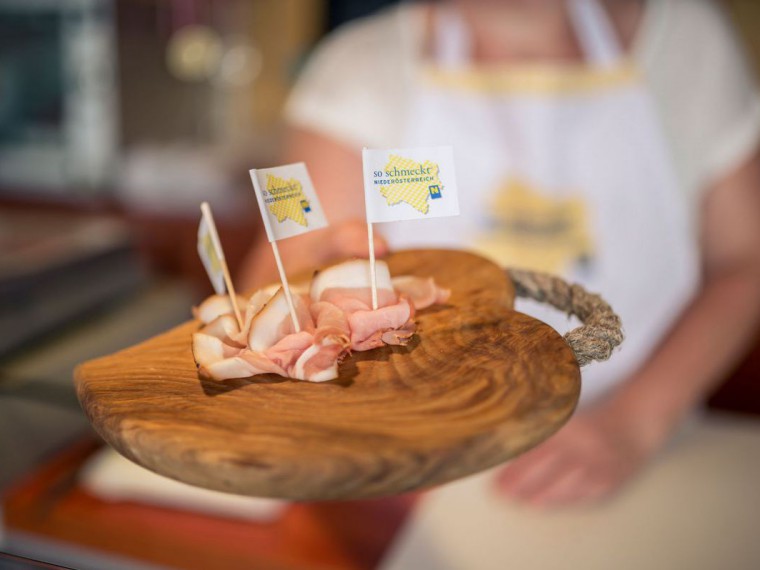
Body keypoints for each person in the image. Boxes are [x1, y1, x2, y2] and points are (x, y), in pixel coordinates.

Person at [240, 0, 760, 506]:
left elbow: (745, 262)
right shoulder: (355, 67)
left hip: (653, 466)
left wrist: (634, 423)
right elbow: (276, 273)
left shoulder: (690, 40)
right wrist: (310, 286)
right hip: (414, 464)